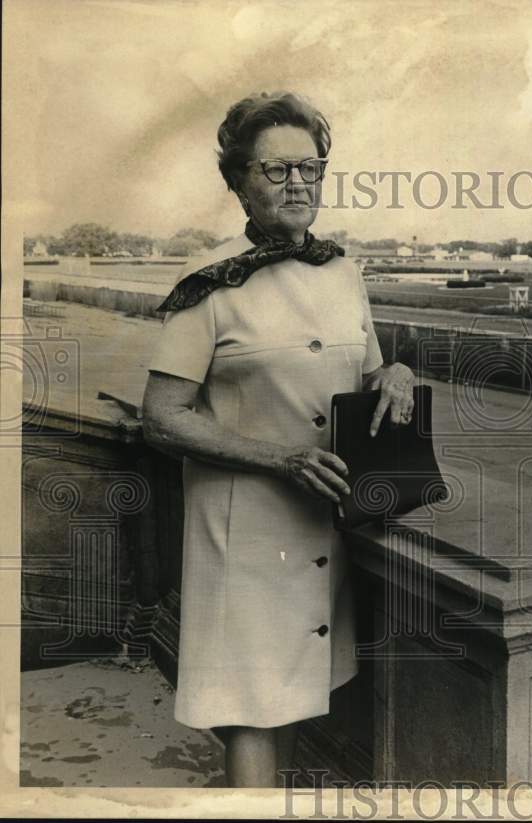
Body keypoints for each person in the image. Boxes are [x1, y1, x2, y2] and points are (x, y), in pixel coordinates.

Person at [140, 91, 415, 788]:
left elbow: (372, 365)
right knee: (253, 710)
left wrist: (399, 375)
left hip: (323, 526)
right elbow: (162, 414)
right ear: (238, 181)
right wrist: (279, 458)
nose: (298, 183)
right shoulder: (207, 285)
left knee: (290, 693)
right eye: (276, 170)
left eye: (312, 168)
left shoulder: (344, 271)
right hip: (246, 532)